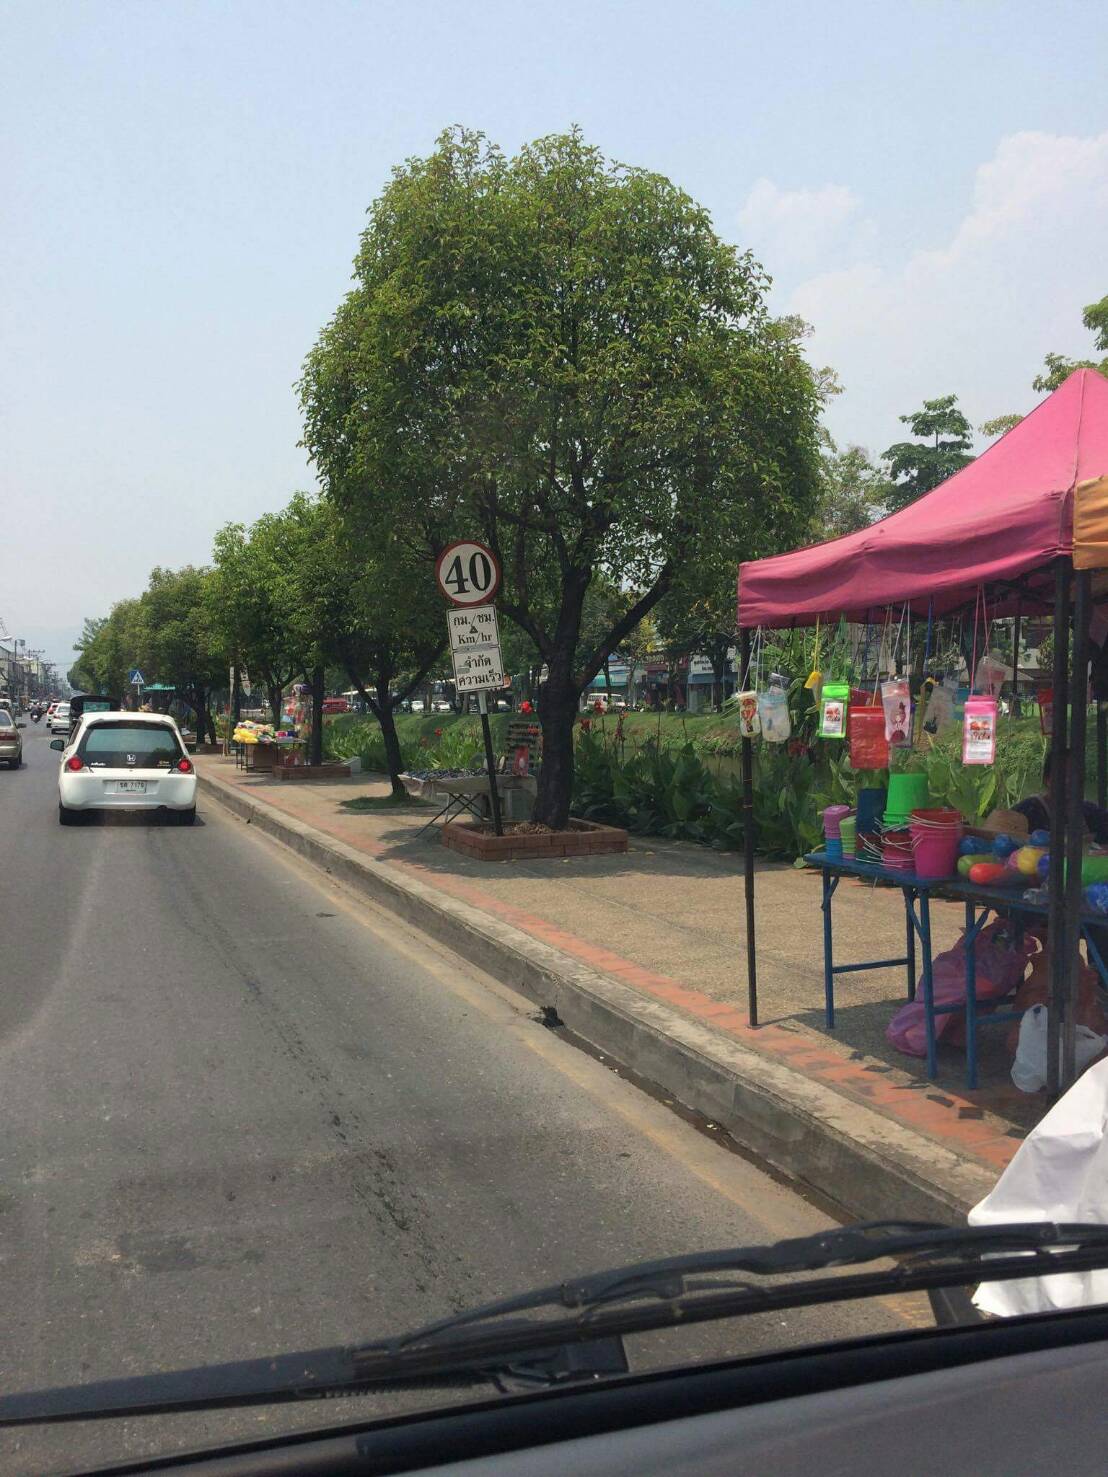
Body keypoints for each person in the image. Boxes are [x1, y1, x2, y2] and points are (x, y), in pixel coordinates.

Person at [1014, 753, 1108, 845]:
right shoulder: (1029, 810)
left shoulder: (1089, 811)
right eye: (1062, 775)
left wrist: (1094, 840)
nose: (1068, 781)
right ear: (1048, 780)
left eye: (1074, 776)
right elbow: (1008, 838)